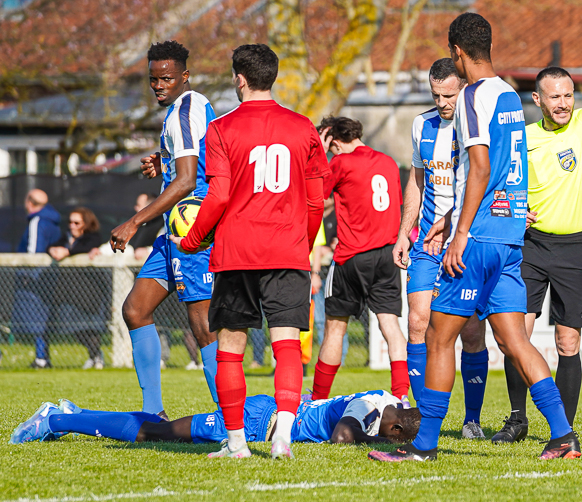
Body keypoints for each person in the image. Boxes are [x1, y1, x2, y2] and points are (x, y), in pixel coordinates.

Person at [369, 12, 580, 462]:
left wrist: (460, 231)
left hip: (478, 237)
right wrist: (451, 216)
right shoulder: (508, 93)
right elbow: (503, 169)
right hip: (508, 235)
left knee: (439, 339)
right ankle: (563, 436)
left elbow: (480, 167)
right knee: (514, 341)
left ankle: (423, 445)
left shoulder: (471, 98)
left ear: (456, 52)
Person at [173, 43, 329, 460]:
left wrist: (192, 240)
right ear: (271, 77)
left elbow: (219, 194)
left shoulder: (221, 129)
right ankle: (284, 436)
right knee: (286, 346)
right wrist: (304, 240)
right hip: (287, 251)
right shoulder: (303, 128)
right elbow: (317, 201)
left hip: (237, 252)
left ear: (239, 79)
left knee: (230, 347)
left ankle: (238, 443)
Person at [495, 1, 582, 443]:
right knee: (517, 336)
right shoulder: (522, 134)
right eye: (553, 96)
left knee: (567, 344)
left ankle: (564, 429)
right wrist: (512, 206)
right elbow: (498, 182)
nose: (562, 103)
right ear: (536, 99)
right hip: (531, 246)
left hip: (575, 247)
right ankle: (517, 419)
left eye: (568, 94)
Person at [108, 40, 218, 419]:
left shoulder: (183, 113)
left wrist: (134, 221)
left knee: (203, 328)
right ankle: (152, 414)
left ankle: (233, 420)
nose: (159, 85)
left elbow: (188, 181)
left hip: (194, 235)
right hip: (171, 237)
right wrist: (165, 161)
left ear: (184, 76)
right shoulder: (189, 106)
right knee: (136, 309)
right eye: (153, 79)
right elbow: (195, 160)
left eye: (167, 78)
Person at [393, 58, 488, 437]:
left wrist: (451, 222)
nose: (443, 102)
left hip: (466, 242)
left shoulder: (476, 126)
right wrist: (405, 231)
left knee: (471, 332)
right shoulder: (422, 125)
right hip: (427, 246)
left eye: (449, 94)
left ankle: (472, 420)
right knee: (417, 322)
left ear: (463, 87)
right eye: (436, 95)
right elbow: (416, 181)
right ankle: (421, 420)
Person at [312, 117, 409, 402]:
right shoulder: (389, 162)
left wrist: (319, 151)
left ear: (336, 142)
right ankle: (401, 397)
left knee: (334, 328)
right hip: (387, 255)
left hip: (352, 256)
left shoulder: (341, 163)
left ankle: (317, 399)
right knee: (390, 325)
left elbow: (315, 194)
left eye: (331, 148)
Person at [9, 391, 420, 446]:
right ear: (395, 425)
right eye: (394, 438)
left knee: (162, 426)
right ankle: (55, 420)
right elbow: (342, 438)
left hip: (270, 410)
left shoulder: (391, 401)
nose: (391, 440)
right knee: (154, 433)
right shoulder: (367, 411)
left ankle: (75, 414)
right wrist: (382, 447)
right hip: (259, 421)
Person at [48, 207, 106, 369]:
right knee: (74, 327)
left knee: (92, 327)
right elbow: (53, 246)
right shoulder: (66, 237)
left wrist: (68, 251)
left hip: (89, 292)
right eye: (70, 222)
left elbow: (88, 247)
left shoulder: (92, 237)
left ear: (86, 224)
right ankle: (93, 355)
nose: (72, 225)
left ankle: (97, 356)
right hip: (68, 291)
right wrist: (53, 249)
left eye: (76, 222)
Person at [12, 189, 61, 368]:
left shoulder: (37, 221)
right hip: (48, 277)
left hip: (34, 279)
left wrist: (27, 275)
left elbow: (34, 251)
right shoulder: (53, 221)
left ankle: (41, 358)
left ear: (29, 203)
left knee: (36, 319)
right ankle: (43, 358)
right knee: (41, 319)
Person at [130, 193, 165, 262]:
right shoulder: (140, 226)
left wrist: (147, 250)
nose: (136, 208)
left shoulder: (162, 224)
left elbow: (166, 245)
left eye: (139, 205)